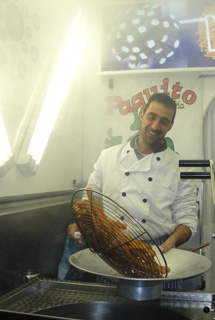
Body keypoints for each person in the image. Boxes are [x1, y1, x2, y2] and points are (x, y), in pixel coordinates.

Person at [59, 93, 199, 283]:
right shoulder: (108, 157)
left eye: (164, 121)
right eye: (151, 117)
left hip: (159, 254)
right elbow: (89, 200)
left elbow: (188, 219)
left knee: (162, 311)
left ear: (171, 126)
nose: (156, 126)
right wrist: (80, 223)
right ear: (141, 114)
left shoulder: (181, 167)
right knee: (109, 309)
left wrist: (172, 241)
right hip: (111, 253)